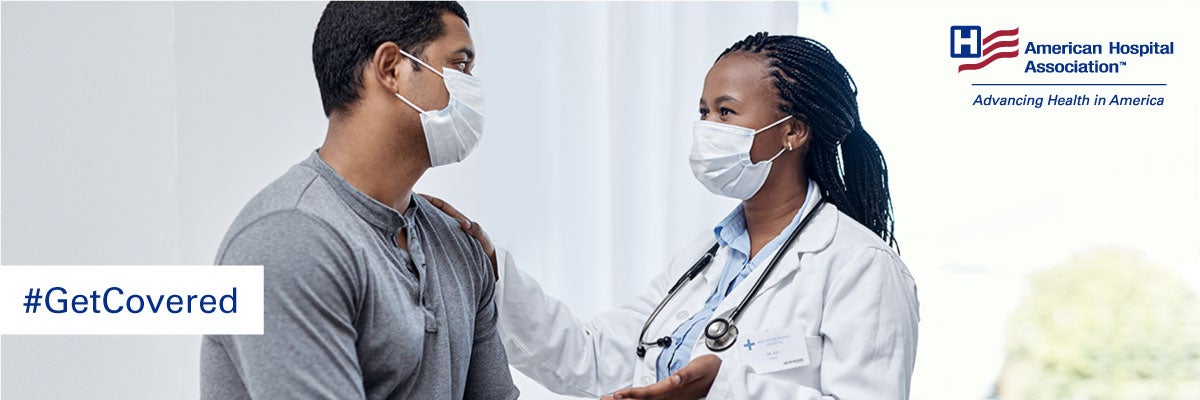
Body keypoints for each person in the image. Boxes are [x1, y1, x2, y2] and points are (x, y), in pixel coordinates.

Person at [429, 33, 918, 399]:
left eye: (726, 113)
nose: (706, 127)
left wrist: (723, 390)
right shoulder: (706, 258)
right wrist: (491, 268)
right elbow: (594, 357)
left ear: (792, 132)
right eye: (703, 111)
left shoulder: (861, 266)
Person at [200, 2, 518, 399]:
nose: (473, 88)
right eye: (460, 66)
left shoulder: (459, 246)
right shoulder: (290, 239)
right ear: (391, 68)